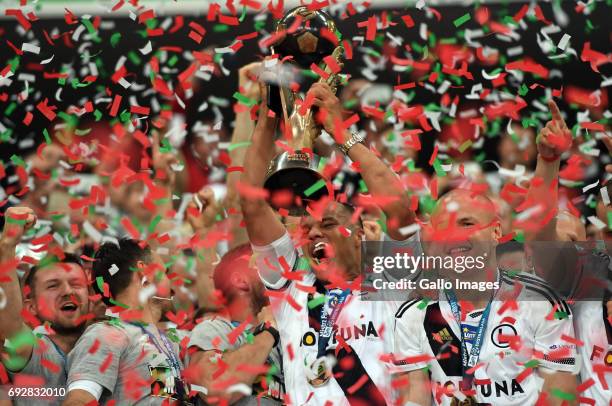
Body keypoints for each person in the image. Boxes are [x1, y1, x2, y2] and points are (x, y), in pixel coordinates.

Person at [240, 58, 418, 403]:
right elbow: (250, 203)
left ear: (361, 232)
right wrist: (267, 122)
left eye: (329, 224)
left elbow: (399, 208)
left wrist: (343, 134)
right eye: (307, 229)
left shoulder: (389, 280)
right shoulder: (290, 283)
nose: (314, 234)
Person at [393, 187, 579, 406]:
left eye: (466, 224)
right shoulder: (414, 313)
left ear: (496, 232)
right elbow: (415, 395)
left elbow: (560, 392)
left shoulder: (540, 301)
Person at [62, 238, 192, 405]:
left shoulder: (156, 341)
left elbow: (159, 400)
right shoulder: (107, 334)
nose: (170, 282)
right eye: (165, 272)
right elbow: (78, 401)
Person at [0, 206, 90, 405]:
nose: (68, 291)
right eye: (53, 285)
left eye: (76, 283)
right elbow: (9, 326)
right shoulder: (35, 353)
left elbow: (166, 395)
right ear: (30, 307)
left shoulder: (120, 341)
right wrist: (7, 246)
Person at [187, 244, 284, 405]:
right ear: (240, 281)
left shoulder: (286, 336)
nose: (277, 272)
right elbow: (215, 387)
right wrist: (268, 331)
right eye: (265, 264)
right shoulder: (213, 329)